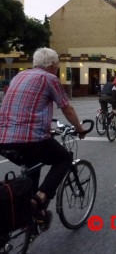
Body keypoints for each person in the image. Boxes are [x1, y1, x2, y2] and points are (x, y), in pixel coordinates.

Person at [0, 47, 88, 227]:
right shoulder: (49, 78)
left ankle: (32, 214)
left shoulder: (19, 76)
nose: (57, 69)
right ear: (53, 65)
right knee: (64, 159)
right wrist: (80, 129)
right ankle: (38, 201)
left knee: (34, 164)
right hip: (30, 139)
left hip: (3, 139)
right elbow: (67, 108)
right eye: (57, 66)